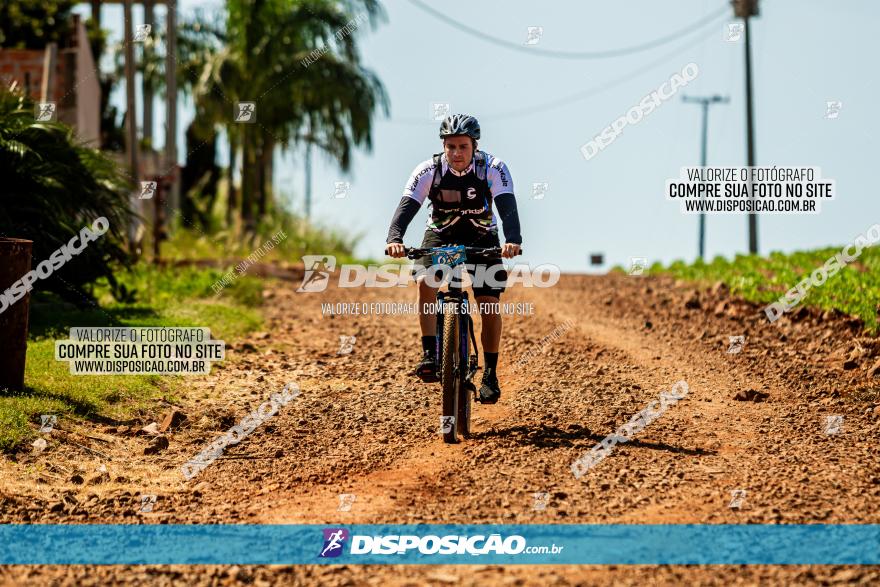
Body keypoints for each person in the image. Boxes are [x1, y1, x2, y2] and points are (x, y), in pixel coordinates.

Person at [385, 114, 522, 404]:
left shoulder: (493, 168)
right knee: (426, 281)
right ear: (443, 147)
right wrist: (394, 239)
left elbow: (507, 206)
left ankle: (491, 374)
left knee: (488, 302)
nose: (456, 153)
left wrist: (513, 240)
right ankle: (430, 353)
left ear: (474, 146)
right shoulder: (428, 170)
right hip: (441, 235)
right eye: (450, 147)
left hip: (482, 236)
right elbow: (406, 207)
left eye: (462, 146)